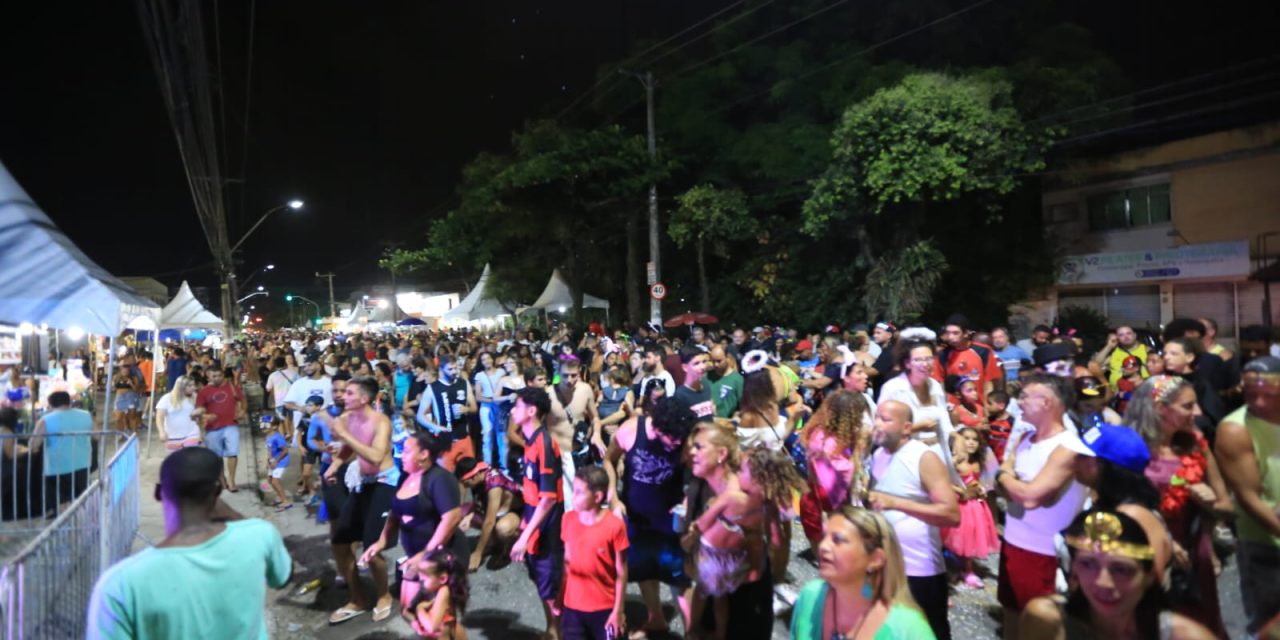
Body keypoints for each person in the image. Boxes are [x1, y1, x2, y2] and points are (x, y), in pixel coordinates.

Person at [86, 447, 291, 639]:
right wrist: (231, 512)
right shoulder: (259, 534)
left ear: (159, 492)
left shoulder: (121, 584)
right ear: (217, 492)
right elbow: (282, 577)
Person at [1126, 374, 1232, 637]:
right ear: (1161, 408)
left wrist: (1210, 502)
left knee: (1199, 625)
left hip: (1195, 553)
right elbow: (1116, 508)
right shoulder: (1130, 449)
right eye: (1187, 406)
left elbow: (1228, 508)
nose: (1197, 412)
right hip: (1146, 555)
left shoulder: (1196, 445)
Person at [994, 373, 1090, 640]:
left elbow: (1030, 497)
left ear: (1046, 402)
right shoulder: (1026, 438)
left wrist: (1008, 479)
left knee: (1041, 625)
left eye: (1025, 396)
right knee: (1012, 613)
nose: (1019, 402)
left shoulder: (1069, 447)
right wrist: (1011, 481)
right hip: (1014, 542)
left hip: (1044, 552)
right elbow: (1004, 479)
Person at [1020, 510, 1215, 640]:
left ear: (1148, 576)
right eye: (1088, 564)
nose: (1103, 582)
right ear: (1074, 573)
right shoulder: (1045, 619)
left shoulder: (1187, 636)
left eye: (1121, 569)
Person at [603, 395, 696, 639]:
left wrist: (689, 502)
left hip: (670, 517)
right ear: (656, 424)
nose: (674, 443)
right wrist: (614, 498)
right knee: (644, 568)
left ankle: (693, 632)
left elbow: (698, 474)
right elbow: (608, 461)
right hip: (636, 515)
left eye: (678, 440)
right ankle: (656, 618)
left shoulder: (683, 437)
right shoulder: (633, 429)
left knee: (680, 576)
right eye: (670, 438)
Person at [867, 400, 960, 640]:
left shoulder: (923, 457)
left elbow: (951, 514)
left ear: (907, 427)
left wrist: (896, 503)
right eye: (876, 417)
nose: (877, 424)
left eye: (886, 420)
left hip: (919, 569)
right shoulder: (878, 455)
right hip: (885, 566)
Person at [790, 505, 936, 640]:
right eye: (824, 537)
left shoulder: (908, 629)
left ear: (876, 560)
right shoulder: (810, 596)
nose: (823, 546)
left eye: (838, 540)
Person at [361, 431, 466, 615]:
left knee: (440, 620)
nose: (402, 455)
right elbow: (396, 513)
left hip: (442, 558)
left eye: (408, 451)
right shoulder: (405, 476)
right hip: (417, 558)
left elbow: (452, 518)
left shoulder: (439, 479)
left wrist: (426, 553)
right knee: (410, 611)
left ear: (424, 454)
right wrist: (381, 541)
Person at [324, 376, 397, 625]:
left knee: (372, 549)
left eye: (350, 393)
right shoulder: (348, 419)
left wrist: (345, 434)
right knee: (341, 542)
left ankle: (384, 595)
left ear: (364, 399)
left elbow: (376, 456)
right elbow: (348, 449)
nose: (344, 396)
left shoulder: (381, 421)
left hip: (385, 482)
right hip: (363, 483)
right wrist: (334, 465)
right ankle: (358, 599)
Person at [1216, 356, 1280, 636]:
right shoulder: (1235, 429)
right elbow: (1248, 497)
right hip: (1265, 543)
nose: (1260, 403)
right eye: (1252, 395)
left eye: (1270, 395)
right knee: (1269, 626)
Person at [510, 386, 565, 640]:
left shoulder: (544, 444)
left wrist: (524, 536)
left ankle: (559, 632)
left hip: (548, 528)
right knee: (542, 584)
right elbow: (533, 491)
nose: (512, 410)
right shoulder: (530, 441)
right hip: (534, 522)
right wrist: (524, 521)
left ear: (531, 411)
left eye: (517, 406)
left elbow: (549, 499)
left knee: (551, 586)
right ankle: (552, 630)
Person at [561, 466, 630, 640]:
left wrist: (618, 611)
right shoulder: (568, 520)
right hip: (573, 608)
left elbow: (621, 572)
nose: (572, 497)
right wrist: (560, 595)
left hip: (604, 609)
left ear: (598, 497)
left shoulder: (614, 526)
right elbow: (567, 561)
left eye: (578, 492)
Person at [800, 390, 871, 548]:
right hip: (824, 508)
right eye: (859, 415)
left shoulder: (821, 432)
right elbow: (847, 473)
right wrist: (858, 450)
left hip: (814, 502)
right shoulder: (827, 443)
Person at [942, 427, 1000, 590]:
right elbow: (945, 480)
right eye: (966, 438)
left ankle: (967, 569)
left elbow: (981, 481)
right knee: (950, 535)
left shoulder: (977, 461)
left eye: (974, 439)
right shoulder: (953, 461)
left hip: (974, 505)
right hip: (957, 502)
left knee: (970, 536)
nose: (971, 443)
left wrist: (980, 489)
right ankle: (950, 566)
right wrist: (962, 491)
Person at [26, 390, 94, 512]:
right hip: (82, 463)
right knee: (82, 499)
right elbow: (98, 436)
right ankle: (82, 525)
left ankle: (66, 528)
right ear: (69, 402)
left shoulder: (45, 420)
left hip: (57, 467)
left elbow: (34, 444)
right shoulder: (86, 415)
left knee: (61, 503)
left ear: (50, 405)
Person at [454, 456, 523, 572]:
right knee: (464, 512)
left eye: (466, 484)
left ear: (473, 476)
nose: (466, 487)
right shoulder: (479, 477)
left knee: (502, 528)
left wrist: (478, 552)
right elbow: (479, 502)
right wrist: (468, 516)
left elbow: (489, 521)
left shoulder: (493, 485)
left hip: (515, 512)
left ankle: (509, 547)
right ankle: (493, 541)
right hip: (498, 511)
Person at [418, 355, 477, 472]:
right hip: (445, 441)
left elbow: (474, 407)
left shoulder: (464, 383)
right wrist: (436, 427)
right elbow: (420, 416)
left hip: (463, 437)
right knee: (447, 477)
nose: (454, 371)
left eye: (455, 368)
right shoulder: (432, 388)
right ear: (441, 370)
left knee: (469, 474)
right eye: (450, 369)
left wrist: (467, 409)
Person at [933, 314, 1003, 404]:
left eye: (955, 333)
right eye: (948, 333)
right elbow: (939, 383)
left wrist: (987, 407)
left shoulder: (983, 351)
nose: (950, 337)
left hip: (980, 407)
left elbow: (990, 383)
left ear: (966, 333)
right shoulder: (942, 355)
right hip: (956, 410)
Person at [408, 548, 471, 640]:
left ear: (442, 579)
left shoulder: (444, 592)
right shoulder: (437, 589)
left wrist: (420, 609)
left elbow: (432, 627)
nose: (420, 579)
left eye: (425, 577)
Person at [155, 375, 202, 451]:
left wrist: (199, 414)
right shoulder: (166, 398)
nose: (193, 388)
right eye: (190, 386)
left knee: (191, 457)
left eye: (194, 385)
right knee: (177, 460)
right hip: (172, 436)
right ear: (181, 387)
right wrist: (161, 431)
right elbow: (159, 417)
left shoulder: (195, 397)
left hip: (191, 433)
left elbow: (201, 411)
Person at [263, 415, 292, 512]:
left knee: (275, 481)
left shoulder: (277, 437)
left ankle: (285, 502)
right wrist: (269, 461)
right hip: (273, 462)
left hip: (280, 462)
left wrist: (276, 461)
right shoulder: (268, 436)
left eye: (266, 424)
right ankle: (280, 497)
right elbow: (270, 450)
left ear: (274, 426)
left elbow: (285, 451)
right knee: (270, 481)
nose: (263, 426)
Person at [707, 345, 743, 418]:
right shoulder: (706, 376)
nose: (715, 365)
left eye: (719, 361)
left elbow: (743, 406)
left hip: (725, 423)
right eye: (713, 361)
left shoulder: (738, 379)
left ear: (727, 357)